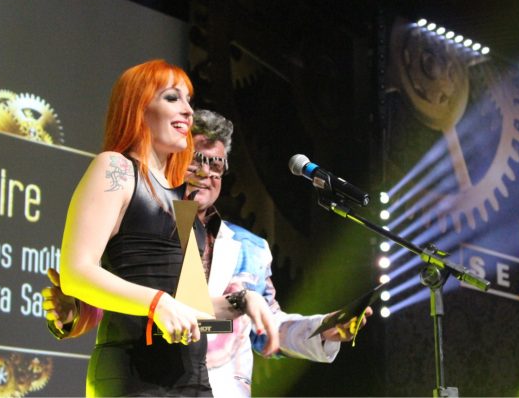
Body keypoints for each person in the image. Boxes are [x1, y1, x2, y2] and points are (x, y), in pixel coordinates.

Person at [45, 108, 372, 397]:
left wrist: (324, 328)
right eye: (196, 160)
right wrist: (76, 311)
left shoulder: (250, 248)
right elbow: (110, 301)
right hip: (144, 381)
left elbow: (268, 325)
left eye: (216, 164)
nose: (205, 174)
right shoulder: (135, 225)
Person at [55, 60, 279, 397]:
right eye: (173, 98)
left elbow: (192, 307)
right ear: (139, 107)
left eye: (188, 99)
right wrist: (157, 303)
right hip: (134, 377)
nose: (188, 110)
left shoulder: (182, 202)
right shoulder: (116, 169)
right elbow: (76, 273)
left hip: (192, 381)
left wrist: (243, 300)